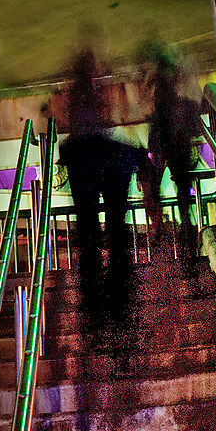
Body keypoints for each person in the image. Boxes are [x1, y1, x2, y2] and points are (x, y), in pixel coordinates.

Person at [56, 41, 139, 317]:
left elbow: (80, 122)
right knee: (113, 223)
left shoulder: (78, 100)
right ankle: (118, 286)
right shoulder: (92, 97)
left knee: (88, 224)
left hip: (83, 159)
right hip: (99, 157)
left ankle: (92, 291)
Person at [141, 43, 206, 263]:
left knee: (156, 186)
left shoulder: (162, 104)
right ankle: (184, 226)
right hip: (175, 141)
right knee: (181, 187)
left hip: (164, 139)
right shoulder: (179, 103)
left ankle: (159, 227)